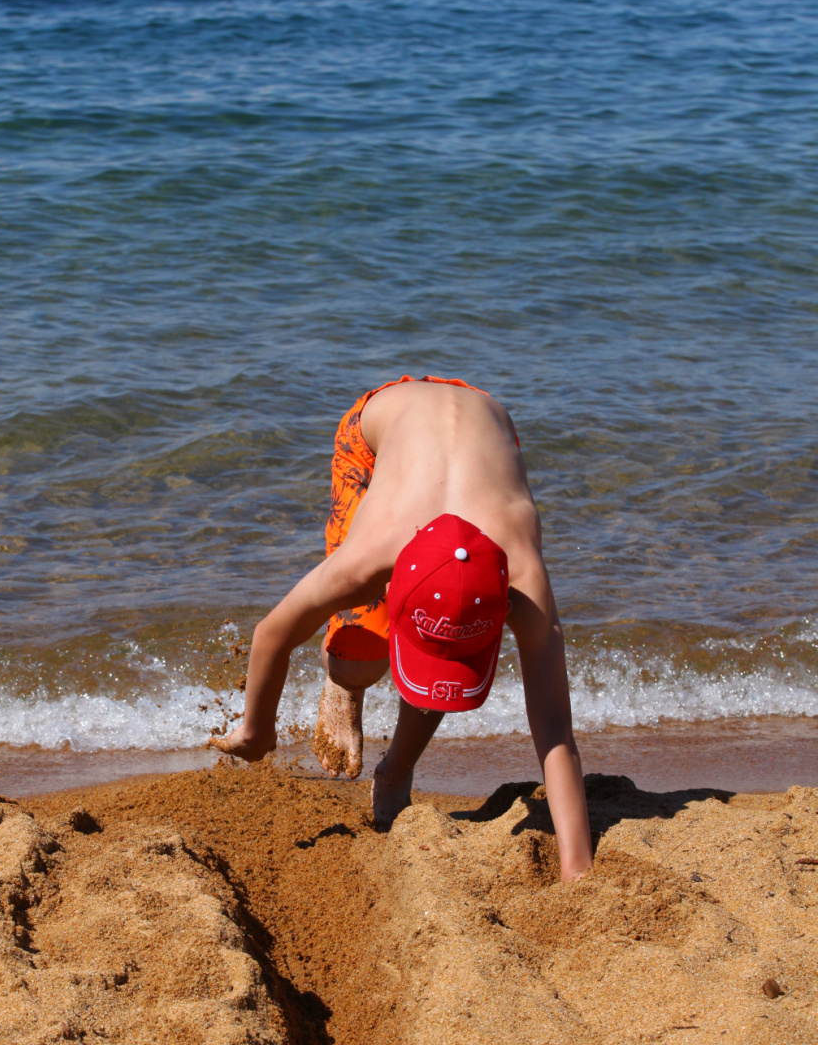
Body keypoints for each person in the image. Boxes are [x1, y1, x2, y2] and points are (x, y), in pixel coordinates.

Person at [211, 375, 592, 882]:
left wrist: (578, 869)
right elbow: (272, 633)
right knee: (357, 660)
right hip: (377, 427)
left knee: (444, 655)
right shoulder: (365, 560)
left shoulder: (522, 579)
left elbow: (556, 733)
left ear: (501, 605)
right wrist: (256, 733)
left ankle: (397, 767)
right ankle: (342, 683)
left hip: (487, 419)